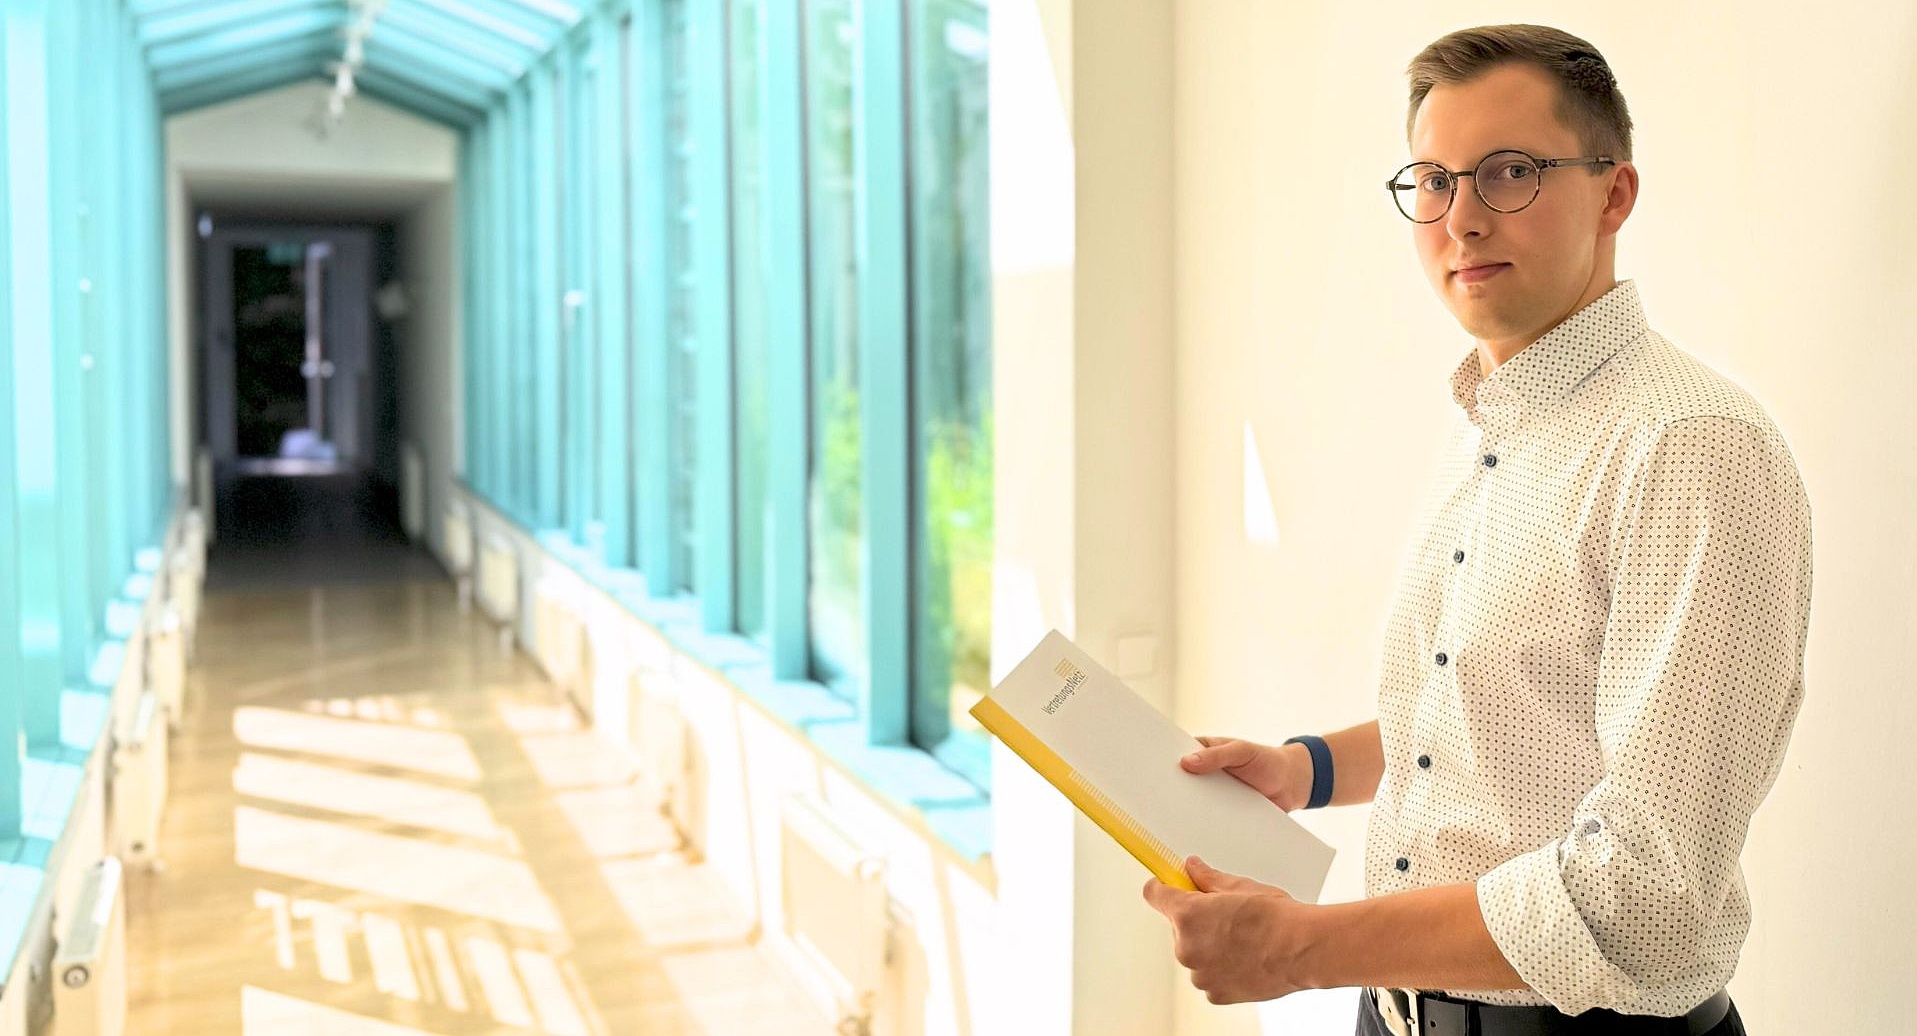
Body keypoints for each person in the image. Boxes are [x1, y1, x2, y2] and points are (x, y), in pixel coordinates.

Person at [1141, 24, 1811, 1036]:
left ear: (1614, 193)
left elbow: (1651, 893)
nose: (1460, 219)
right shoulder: (1494, 419)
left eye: (1509, 174)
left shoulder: (1690, 447)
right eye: (1433, 181)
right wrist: (1301, 769)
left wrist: (1297, 947)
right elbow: (1499, 712)